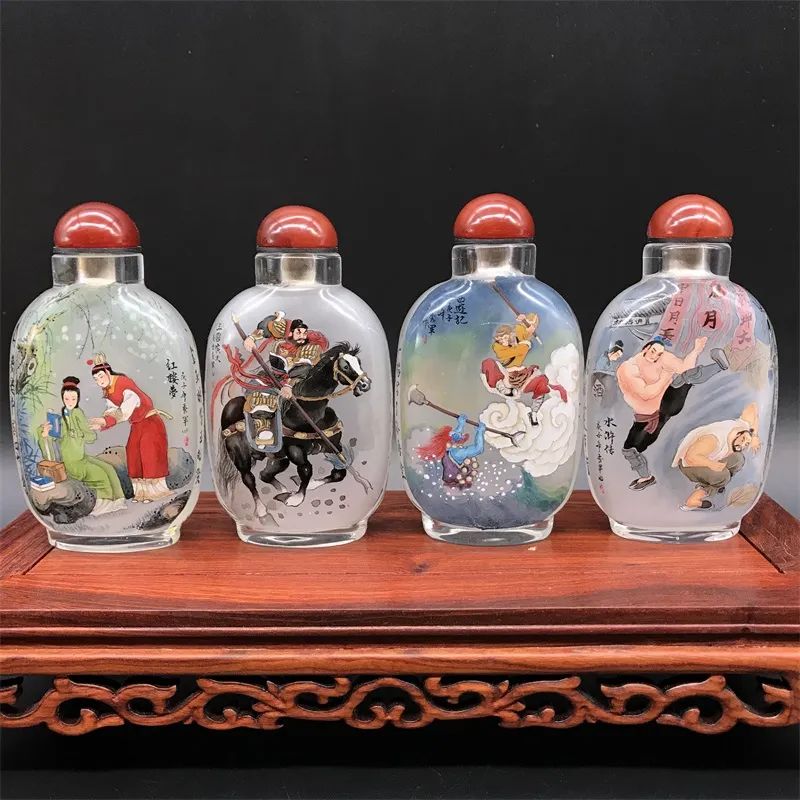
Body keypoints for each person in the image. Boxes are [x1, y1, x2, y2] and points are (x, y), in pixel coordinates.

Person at [616, 335, 729, 490]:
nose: (655, 356)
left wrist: (696, 350)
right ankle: (646, 478)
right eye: (653, 351)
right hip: (647, 418)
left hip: (667, 403)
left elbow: (685, 369)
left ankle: (719, 366)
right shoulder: (628, 368)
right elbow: (645, 393)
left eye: (659, 353)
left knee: (685, 378)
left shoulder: (663, 357)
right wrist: (666, 376)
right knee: (629, 450)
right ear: (645, 348)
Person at [235, 312, 330, 449]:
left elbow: (302, 369)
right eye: (298, 332)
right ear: (291, 333)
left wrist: (288, 386)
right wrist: (251, 338)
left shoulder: (309, 348)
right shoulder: (283, 336)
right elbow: (268, 326)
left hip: (295, 381)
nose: (302, 336)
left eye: (304, 333)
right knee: (260, 395)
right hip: (270, 377)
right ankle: (263, 430)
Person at [87, 353, 172, 503]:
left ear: (107, 372)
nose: (99, 381)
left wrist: (105, 421)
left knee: (149, 455)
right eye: (96, 379)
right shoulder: (109, 390)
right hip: (137, 424)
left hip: (150, 423)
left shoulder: (124, 384)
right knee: (133, 455)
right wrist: (102, 423)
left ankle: (155, 493)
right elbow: (112, 410)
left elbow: (124, 412)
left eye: (100, 376)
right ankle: (141, 493)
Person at [37, 377, 125, 515]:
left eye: (73, 399)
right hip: (71, 461)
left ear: (77, 398)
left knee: (108, 468)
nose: (70, 402)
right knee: (99, 474)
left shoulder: (77, 413)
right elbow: (52, 438)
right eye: (67, 399)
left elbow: (90, 437)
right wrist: (45, 434)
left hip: (82, 457)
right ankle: (99, 506)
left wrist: (85, 431)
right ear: (63, 399)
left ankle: (117, 502)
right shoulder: (60, 420)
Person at [672, 403, 760, 511]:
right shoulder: (713, 440)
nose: (742, 445)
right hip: (689, 465)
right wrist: (711, 464)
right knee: (723, 476)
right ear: (738, 435)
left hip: (710, 459)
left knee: (738, 459)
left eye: (746, 444)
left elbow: (753, 407)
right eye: (742, 440)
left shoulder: (742, 429)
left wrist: (754, 436)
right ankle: (693, 501)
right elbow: (690, 457)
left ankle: (716, 483)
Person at [480, 315, 566, 425]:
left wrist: (525, 320)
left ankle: (534, 413)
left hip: (522, 375)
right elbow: (514, 352)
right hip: (506, 375)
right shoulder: (497, 347)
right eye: (499, 339)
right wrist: (525, 344)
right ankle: (502, 388)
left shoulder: (517, 335)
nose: (502, 341)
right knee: (488, 363)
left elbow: (529, 325)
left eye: (505, 338)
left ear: (510, 335)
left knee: (541, 381)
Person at [416, 415, 486, 490]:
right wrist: (480, 432)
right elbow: (478, 449)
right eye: (456, 435)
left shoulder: (449, 450)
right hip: (455, 482)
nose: (460, 435)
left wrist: (461, 424)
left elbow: (454, 436)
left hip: (450, 482)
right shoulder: (457, 453)